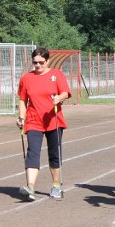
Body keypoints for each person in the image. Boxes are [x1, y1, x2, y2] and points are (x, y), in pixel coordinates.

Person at [17, 47, 71, 201]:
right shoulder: (26, 79)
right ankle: (30, 187)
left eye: (41, 62)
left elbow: (66, 92)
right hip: (34, 121)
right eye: (35, 62)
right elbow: (22, 100)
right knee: (32, 152)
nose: (38, 65)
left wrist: (59, 98)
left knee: (54, 154)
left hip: (54, 120)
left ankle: (55, 185)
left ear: (48, 61)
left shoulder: (56, 75)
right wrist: (21, 117)